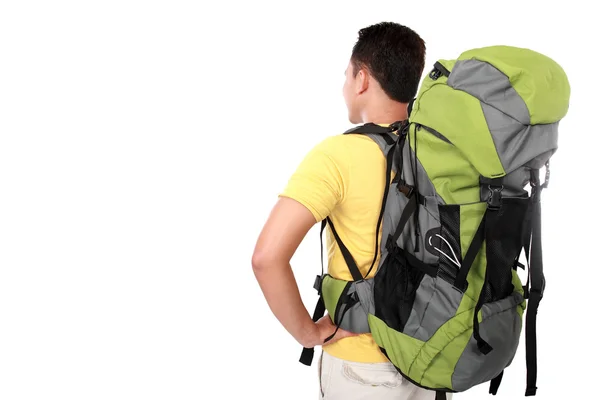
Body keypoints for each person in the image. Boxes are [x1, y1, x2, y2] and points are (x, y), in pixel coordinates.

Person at [252, 22, 438, 399]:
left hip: (363, 367)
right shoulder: (440, 153)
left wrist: (307, 332)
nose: (344, 86)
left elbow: (266, 258)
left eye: (346, 75)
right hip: (432, 356)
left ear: (362, 79)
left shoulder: (338, 155)